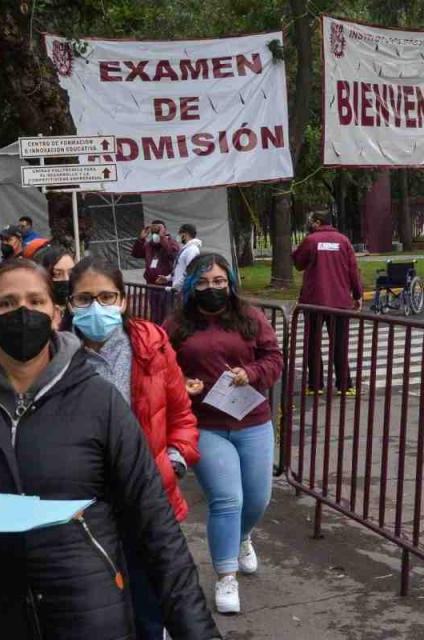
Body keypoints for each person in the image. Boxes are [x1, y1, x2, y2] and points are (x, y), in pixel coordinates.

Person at [0, 258, 221, 640]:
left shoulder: (99, 401)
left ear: (56, 313)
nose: (22, 313)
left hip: (90, 606)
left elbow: (155, 523)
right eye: (7, 303)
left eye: (35, 301)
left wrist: (196, 631)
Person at [67, 256, 200, 640]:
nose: (97, 307)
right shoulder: (54, 355)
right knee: (94, 611)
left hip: (148, 500)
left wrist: (173, 464)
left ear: (124, 300)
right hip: (85, 510)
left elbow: (182, 416)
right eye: (85, 298)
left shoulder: (152, 345)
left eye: (107, 297)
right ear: (68, 304)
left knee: (148, 609)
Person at [163, 252, 283, 615]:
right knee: (227, 500)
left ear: (229, 283)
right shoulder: (176, 324)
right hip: (205, 425)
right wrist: (182, 383)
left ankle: (242, 537)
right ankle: (225, 575)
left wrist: (253, 373)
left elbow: (274, 358)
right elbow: (161, 368)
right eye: (202, 282)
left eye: (218, 282)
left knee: (257, 500)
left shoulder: (250, 317)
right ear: (190, 286)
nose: (212, 289)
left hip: (253, 419)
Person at [292, 211, 362, 395]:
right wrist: (357, 294)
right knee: (340, 343)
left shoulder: (311, 240)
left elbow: (298, 263)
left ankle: (315, 385)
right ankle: (345, 385)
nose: (309, 224)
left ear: (317, 222)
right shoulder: (343, 241)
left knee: (312, 343)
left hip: (314, 301)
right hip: (339, 301)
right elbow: (353, 270)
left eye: (310, 221)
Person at [132, 219, 179, 323]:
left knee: (168, 310)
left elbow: (173, 255)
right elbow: (136, 254)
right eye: (154, 228)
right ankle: (157, 330)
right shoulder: (149, 245)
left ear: (165, 230)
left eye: (158, 228)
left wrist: (162, 238)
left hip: (166, 283)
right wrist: (141, 239)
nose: (156, 230)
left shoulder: (171, 242)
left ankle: (169, 332)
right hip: (152, 284)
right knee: (155, 311)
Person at [171, 223, 203, 291]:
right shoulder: (186, 249)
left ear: (185, 234)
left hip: (183, 290)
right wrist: (168, 278)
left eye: (179, 233)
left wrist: (177, 285)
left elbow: (190, 270)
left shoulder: (192, 250)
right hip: (179, 289)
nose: (178, 236)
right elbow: (180, 268)